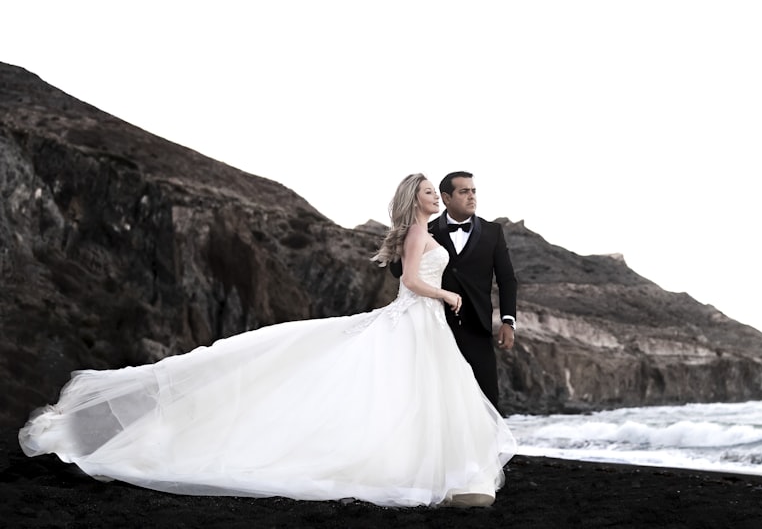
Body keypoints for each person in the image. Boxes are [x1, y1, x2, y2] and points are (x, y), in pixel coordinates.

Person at [17, 173, 516, 508]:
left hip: (424, 323)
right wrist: (446, 293)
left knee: (417, 395)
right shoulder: (416, 233)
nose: (434, 196)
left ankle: (442, 473)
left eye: (437, 191)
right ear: (419, 199)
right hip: (417, 315)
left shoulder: (429, 231)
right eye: (430, 191)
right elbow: (409, 281)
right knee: (392, 390)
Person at [394, 171, 517, 411]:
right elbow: (399, 272)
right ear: (447, 198)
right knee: (440, 399)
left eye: (473, 191)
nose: (472, 197)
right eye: (464, 192)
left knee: (487, 397)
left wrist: (508, 321)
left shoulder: (493, 232)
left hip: (478, 326)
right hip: (436, 325)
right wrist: (404, 240)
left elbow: (507, 279)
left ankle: (490, 449)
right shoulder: (424, 229)